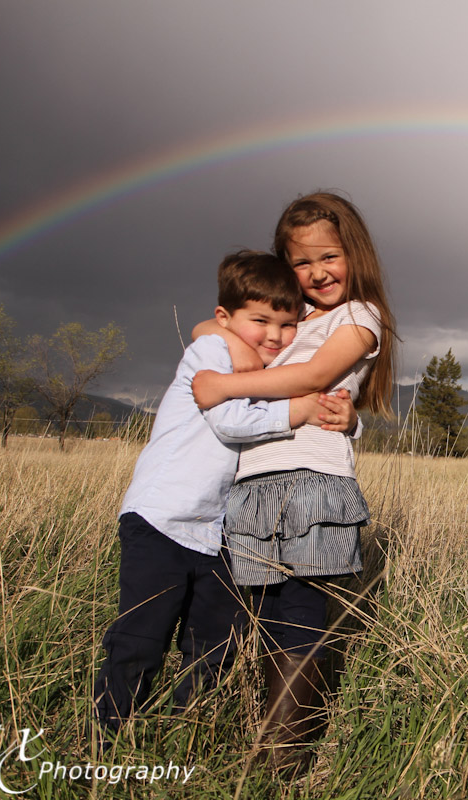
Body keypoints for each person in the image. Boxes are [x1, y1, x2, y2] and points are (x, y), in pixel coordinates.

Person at [93, 249, 357, 744]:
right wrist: (299, 409)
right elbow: (230, 419)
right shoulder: (210, 355)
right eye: (260, 321)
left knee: (214, 640)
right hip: (162, 519)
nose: (275, 336)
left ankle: (185, 732)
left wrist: (347, 416)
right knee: (143, 633)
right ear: (226, 318)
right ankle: (107, 735)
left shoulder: (250, 365)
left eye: (287, 323)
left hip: (212, 533)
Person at [192, 191, 396, 771]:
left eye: (329, 257)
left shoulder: (359, 316)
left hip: (311, 481)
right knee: (263, 612)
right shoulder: (287, 318)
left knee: (301, 611)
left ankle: (281, 760)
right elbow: (213, 323)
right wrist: (252, 323)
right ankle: (262, 737)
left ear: (355, 254)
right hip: (253, 481)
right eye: (301, 262)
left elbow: (316, 373)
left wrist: (226, 385)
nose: (317, 273)